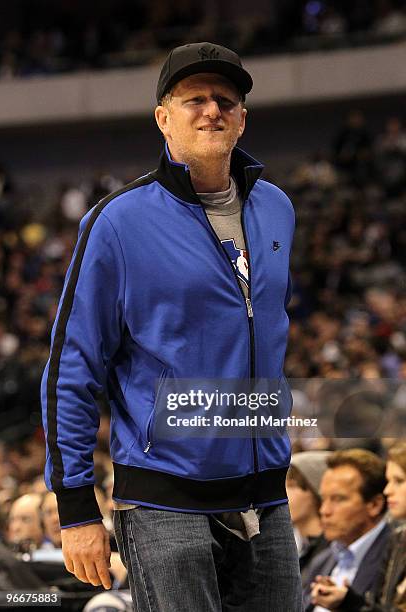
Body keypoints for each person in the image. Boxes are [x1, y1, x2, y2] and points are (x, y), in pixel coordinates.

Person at [41, 41, 301, 611]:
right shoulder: (117, 222)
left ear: (242, 121)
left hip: (267, 497)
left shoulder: (278, 208)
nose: (212, 110)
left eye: (226, 101)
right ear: (163, 118)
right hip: (165, 500)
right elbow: (73, 368)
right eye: (194, 99)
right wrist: (76, 507)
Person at [309, 442, 406, 611]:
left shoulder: (390, 544)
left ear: (375, 505)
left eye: (338, 499)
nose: (324, 510)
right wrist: (347, 602)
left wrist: (348, 603)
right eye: (323, 498)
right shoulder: (321, 560)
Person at [286, 451, 331, 585]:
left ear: (316, 492)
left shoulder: (332, 552)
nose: (282, 493)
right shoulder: (293, 544)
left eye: (292, 486)